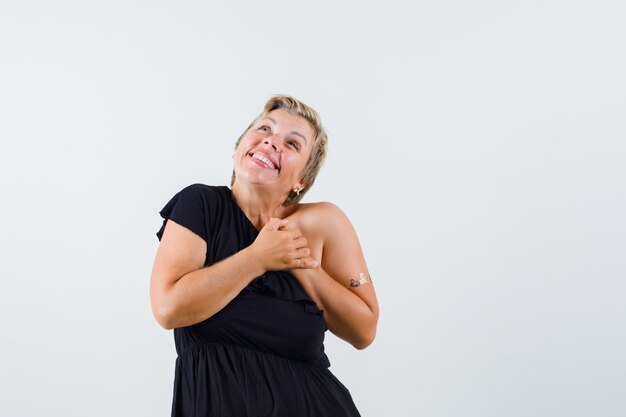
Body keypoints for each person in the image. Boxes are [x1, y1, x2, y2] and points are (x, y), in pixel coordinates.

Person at [150, 95, 379, 416]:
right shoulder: (200, 204)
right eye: (264, 129)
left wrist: (304, 267)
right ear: (239, 146)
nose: (271, 143)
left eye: (293, 144)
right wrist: (259, 258)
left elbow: (364, 330)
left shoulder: (324, 222)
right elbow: (168, 308)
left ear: (302, 180)